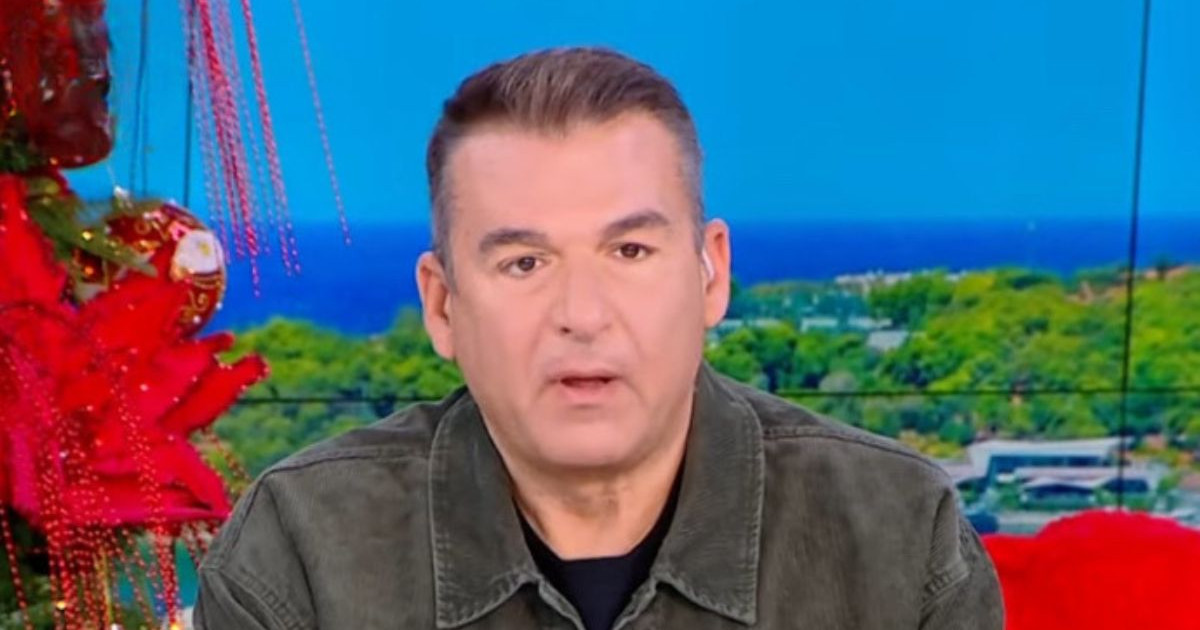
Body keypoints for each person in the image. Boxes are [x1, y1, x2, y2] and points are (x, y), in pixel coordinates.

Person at [195, 46, 1004, 629]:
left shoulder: (899, 536)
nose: (582, 314)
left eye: (630, 252)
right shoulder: (299, 553)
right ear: (442, 306)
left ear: (710, 274)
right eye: (524, 263)